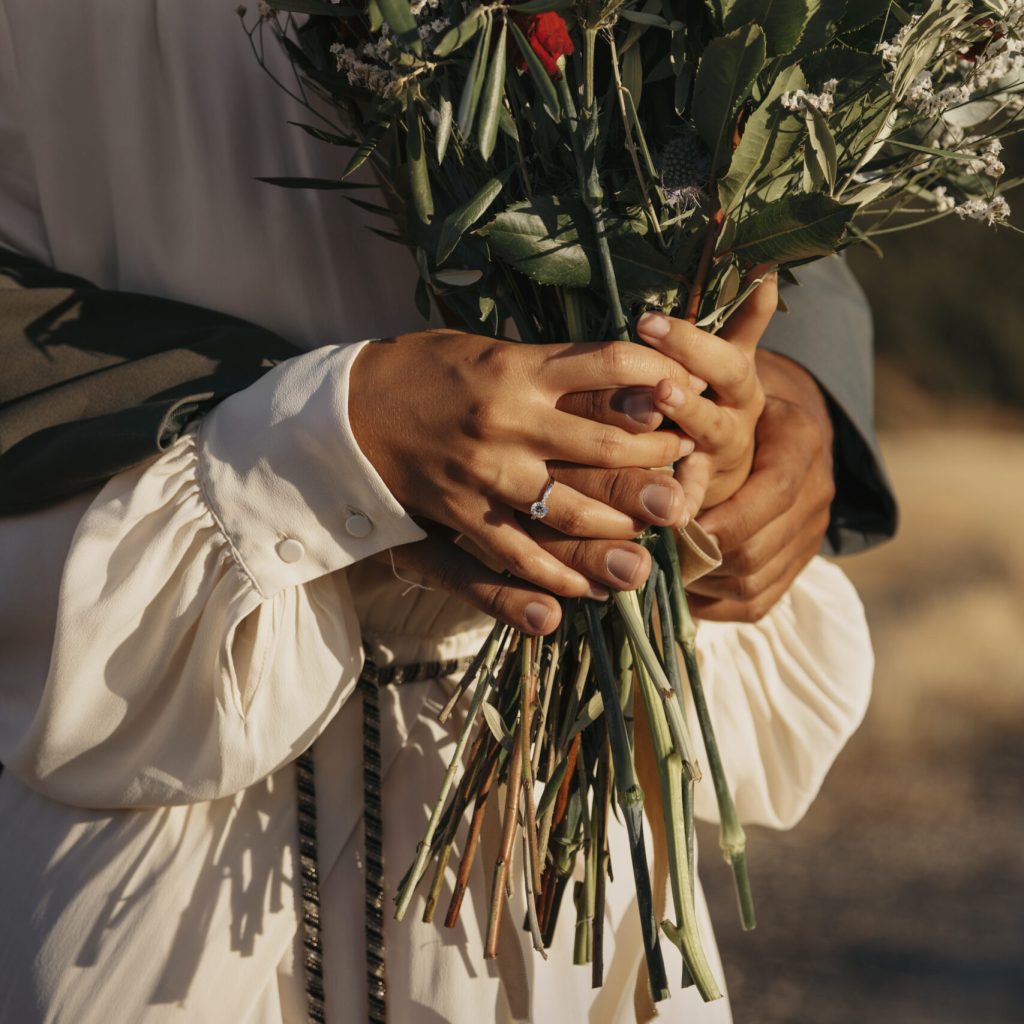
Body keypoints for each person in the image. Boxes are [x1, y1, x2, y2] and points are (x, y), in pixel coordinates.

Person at [0, 3, 892, 1022]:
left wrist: (778, 384)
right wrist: (326, 430)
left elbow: (746, 79)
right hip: (153, 681)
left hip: (550, 747)